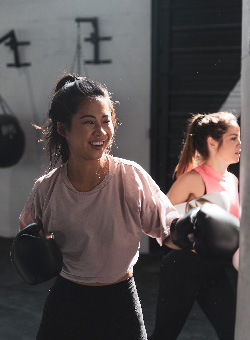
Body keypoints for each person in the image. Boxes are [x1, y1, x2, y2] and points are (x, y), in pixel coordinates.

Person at [18, 73, 181, 340]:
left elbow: (168, 227)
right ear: (63, 129)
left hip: (120, 302)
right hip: (67, 302)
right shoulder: (46, 189)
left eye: (106, 121)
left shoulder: (131, 177)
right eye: (88, 122)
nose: (101, 131)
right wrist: (34, 250)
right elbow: (28, 239)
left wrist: (192, 232)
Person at [149, 112, 241, 340]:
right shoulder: (193, 179)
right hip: (184, 268)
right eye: (233, 138)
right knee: (165, 335)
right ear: (212, 142)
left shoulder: (232, 180)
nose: (241, 144)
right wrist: (182, 238)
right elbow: (157, 220)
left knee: (233, 333)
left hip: (213, 268)